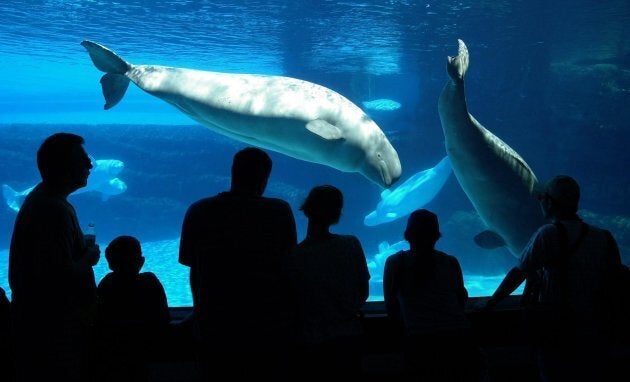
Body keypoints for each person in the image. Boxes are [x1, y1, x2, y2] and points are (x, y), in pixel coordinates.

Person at [483, 175, 622, 382]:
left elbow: (519, 272)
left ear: (549, 202)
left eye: (542, 199)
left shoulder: (548, 234)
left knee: (555, 373)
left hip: (559, 325)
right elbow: (615, 278)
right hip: (595, 325)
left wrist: (491, 303)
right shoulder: (604, 237)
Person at [178, 147, 298, 380]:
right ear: (266, 177)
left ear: (233, 172)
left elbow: (193, 267)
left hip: (215, 322)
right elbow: (289, 265)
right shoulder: (278, 211)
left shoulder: (200, 209)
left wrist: (199, 311)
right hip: (267, 322)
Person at [8, 132, 101, 382]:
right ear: (64, 167)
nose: (90, 165)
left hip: (46, 325)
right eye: (83, 159)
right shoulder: (52, 209)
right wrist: (89, 257)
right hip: (52, 330)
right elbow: (60, 275)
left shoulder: (47, 200)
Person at [383, 209, 485, 381]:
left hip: (420, 340)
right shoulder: (450, 262)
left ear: (407, 234)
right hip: (458, 338)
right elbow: (461, 299)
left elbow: (390, 306)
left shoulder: (395, 263)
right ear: (437, 235)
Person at [291, 185, 370, 379]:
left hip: (312, 339)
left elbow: (294, 301)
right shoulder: (351, 244)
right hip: (349, 335)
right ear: (337, 214)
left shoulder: (296, 255)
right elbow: (364, 290)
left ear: (306, 209)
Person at [96, 235, 170, 382]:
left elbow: (98, 318)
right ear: (141, 261)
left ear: (110, 264)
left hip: (111, 353)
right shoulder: (150, 282)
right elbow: (164, 318)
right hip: (145, 351)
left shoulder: (107, 283)